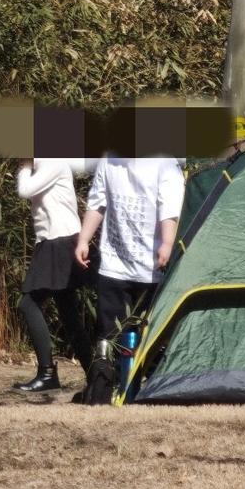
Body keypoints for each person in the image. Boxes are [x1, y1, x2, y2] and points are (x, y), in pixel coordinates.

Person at [74, 155, 184, 399]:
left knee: (152, 335)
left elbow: (170, 209)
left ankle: (158, 390)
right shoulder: (109, 161)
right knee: (108, 334)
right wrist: (83, 239)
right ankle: (104, 392)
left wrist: (166, 244)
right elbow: (97, 202)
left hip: (151, 267)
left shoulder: (165, 164)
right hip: (113, 265)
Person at [12, 160, 93, 394]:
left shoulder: (52, 160)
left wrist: (25, 167)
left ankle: (47, 373)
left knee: (28, 304)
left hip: (58, 240)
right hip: (55, 240)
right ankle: (95, 372)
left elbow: (24, 190)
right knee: (68, 312)